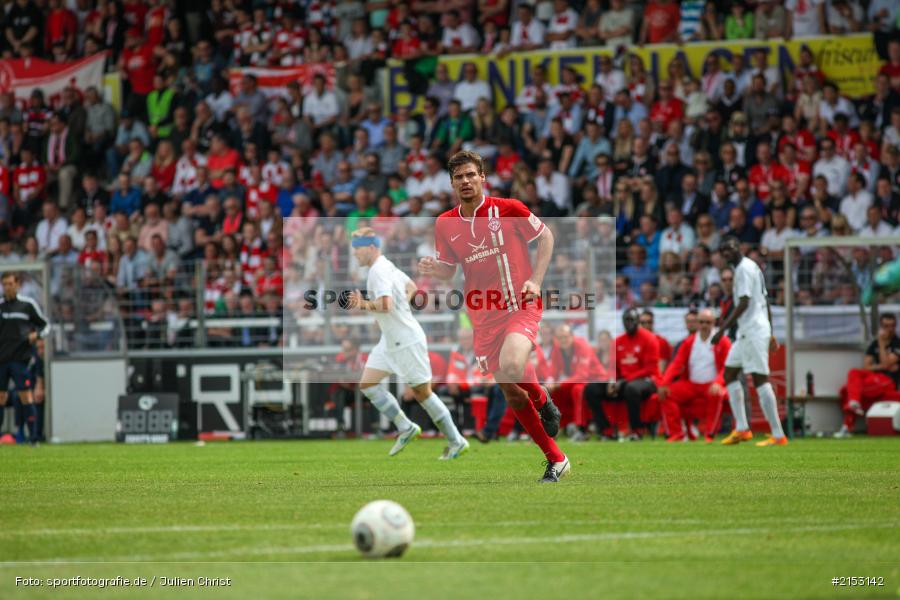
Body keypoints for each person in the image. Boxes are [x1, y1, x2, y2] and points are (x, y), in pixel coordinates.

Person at [418, 150, 568, 483]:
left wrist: (537, 281)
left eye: (471, 175)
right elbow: (448, 272)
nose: (466, 181)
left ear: (483, 177)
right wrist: (434, 269)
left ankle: (544, 401)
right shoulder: (445, 223)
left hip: (519, 302)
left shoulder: (509, 209)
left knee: (514, 367)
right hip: (482, 314)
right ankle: (556, 458)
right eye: (459, 177)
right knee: (512, 392)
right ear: (452, 183)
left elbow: (546, 236)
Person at [348, 227, 468, 460]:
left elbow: (385, 305)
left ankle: (456, 441)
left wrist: (362, 304)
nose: (355, 254)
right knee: (368, 384)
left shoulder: (377, 271)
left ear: (372, 248)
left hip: (405, 340)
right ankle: (405, 426)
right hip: (390, 339)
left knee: (422, 393)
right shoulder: (388, 265)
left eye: (358, 249)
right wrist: (398, 312)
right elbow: (412, 288)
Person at [712, 237, 785, 446]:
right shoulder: (750, 267)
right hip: (748, 331)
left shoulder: (744, 269)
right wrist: (770, 331)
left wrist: (722, 330)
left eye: (731, 248)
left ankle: (778, 435)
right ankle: (742, 429)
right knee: (730, 373)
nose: (727, 253)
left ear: (739, 248)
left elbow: (744, 303)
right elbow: (764, 301)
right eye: (724, 250)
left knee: (761, 379)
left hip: (752, 331)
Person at [585, 308, 660, 441]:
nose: (628, 323)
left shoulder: (650, 339)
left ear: (638, 321)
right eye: (626, 320)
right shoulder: (618, 341)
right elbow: (613, 367)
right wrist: (611, 380)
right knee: (591, 389)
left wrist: (624, 380)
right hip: (623, 382)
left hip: (647, 380)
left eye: (631, 320)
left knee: (632, 388)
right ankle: (606, 431)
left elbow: (650, 369)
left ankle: (637, 430)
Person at [658, 309, 731, 442]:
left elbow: (727, 368)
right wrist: (664, 383)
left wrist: (718, 382)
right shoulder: (689, 342)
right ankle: (677, 433)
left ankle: (710, 434)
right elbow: (676, 363)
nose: (704, 325)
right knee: (666, 394)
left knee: (717, 393)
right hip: (692, 384)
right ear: (697, 323)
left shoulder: (723, 341)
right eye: (702, 322)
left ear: (714, 323)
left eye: (708, 322)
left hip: (712, 384)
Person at [0, 271, 50, 445]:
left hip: (20, 360)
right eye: (4, 284)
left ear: (18, 284)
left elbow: (46, 325)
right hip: (1, 360)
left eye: (10, 283)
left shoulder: (27, 305)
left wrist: (37, 335)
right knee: (1, 398)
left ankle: (34, 438)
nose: (7, 287)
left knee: (26, 397)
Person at [835, 313, 899, 437]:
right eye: (885, 326)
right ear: (881, 326)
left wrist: (881, 343)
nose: (888, 329)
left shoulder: (897, 343)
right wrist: (883, 366)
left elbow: (885, 364)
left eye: (891, 326)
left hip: (887, 381)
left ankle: (847, 424)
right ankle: (854, 403)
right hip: (873, 380)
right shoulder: (873, 344)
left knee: (847, 391)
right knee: (853, 373)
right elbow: (867, 366)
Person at [545, 324, 609, 441]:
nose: (563, 340)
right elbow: (552, 371)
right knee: (552, 392)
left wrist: (558, 384)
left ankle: (581, 428)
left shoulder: (582, 346)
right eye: (560, 337)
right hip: (577, 380)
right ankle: (555, 427)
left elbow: (582, 375)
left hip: (595, 380)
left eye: (565, 337)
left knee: (577, 390)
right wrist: (549, 383)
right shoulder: (557, 349)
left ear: (572, 336)